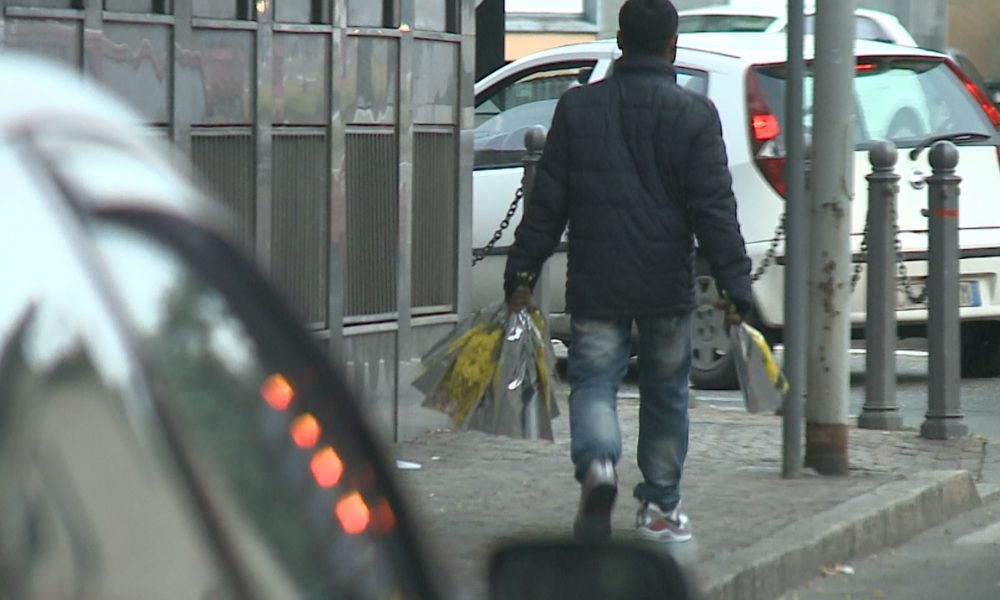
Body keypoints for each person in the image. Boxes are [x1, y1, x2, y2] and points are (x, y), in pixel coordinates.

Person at [503, 0, 753, 543]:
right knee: (666, 394)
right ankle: (660, 508)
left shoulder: (577, 109)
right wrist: (735, 285)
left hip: (597, 283)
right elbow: (715, 210)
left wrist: (522, 270)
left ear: (619, 42)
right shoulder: (695, 115)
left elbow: (547, 204)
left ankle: (598, 468)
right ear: (673, 45)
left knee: (594, 383)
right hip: (667, 286)